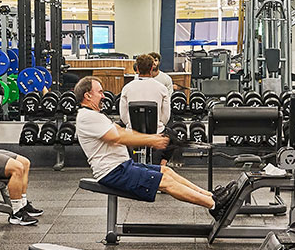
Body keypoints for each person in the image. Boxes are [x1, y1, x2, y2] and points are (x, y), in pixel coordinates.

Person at [73, 75, 241, 223]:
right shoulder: (88, 117)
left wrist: (149, 136)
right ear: (88, 95)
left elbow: (121, 132)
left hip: (122, 166)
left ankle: (210, 196)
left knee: (165, 171)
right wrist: (151, 140)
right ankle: (214, 206)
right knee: (165, 182)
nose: (103, 96)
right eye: (100, 92)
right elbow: (118, 137)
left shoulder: (95, 115)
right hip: (113, 172)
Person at [118, 53, 172, 130]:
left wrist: (131, 124)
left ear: (137, 69)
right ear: (151, 68)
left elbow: (123, 116)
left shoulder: (127, 88)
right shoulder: (162, 89)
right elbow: (165, 117)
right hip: (156, 132)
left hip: (132, 133)